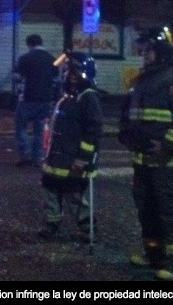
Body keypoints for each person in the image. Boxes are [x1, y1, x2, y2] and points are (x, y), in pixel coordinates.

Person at [118, 26, 173, 281]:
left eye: (149, 50)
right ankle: (153, 254)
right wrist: (126, 133)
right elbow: (132, 114)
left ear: (161, 50)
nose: (145, 55)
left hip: (166, 160)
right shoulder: (145, 79)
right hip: (143, 159)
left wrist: (167, 145)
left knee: (169, 209)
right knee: (147, 208)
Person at [38, 52, 103, 242]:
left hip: (73, 159)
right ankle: (52, 223)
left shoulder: (88, 97)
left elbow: (93, 131)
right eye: (68, 71)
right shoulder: (68, 95)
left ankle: (87, 228)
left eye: (75, 71)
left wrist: (83, 158)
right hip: (56, 157)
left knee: (75, 196)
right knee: (50, 190)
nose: (70, 75)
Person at [13, 34, 58, 167]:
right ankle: (37, 158)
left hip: (28, 98)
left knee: (20, 126)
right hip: (46, 99)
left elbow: (17, 77)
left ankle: (25, 154)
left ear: (29, 44)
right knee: (40, 130)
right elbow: (56, 78)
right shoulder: (52, 59)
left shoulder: (25, 58)